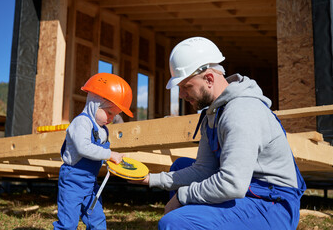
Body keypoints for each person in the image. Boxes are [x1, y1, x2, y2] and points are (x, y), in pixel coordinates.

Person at [132, 37, 306, 229]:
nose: (181, 95)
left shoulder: (242, 112)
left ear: (209, 79)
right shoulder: (214, 112)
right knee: (180, 165)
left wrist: (182, 198)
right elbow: (203, 170)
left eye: (186, 87)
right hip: (247, 191)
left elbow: (232, 183)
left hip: (272, 204)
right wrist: (150, 179)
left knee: (174, 223)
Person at [53, 73, 134, 230]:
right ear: (95, 103)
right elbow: (84, 148)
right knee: (68, 222)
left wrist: (112, 161)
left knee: (96, 219)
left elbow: (100, 153)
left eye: (115, 115)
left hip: (90, 183)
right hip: (72, 181)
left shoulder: (103, 130)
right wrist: (109, 154)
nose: (111, 118)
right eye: (109, 113)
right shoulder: (81, 122)